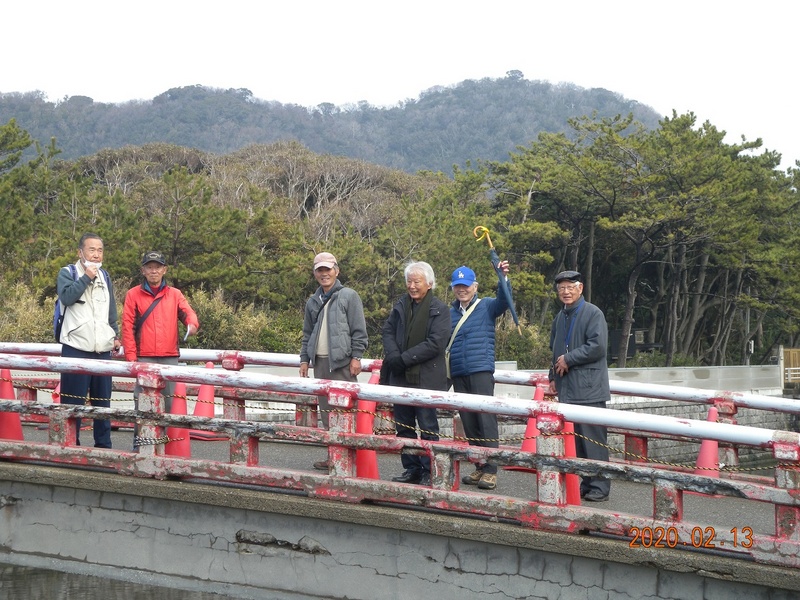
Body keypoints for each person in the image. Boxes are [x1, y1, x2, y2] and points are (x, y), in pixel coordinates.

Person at [381, 261, 451, 486]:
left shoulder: (440, 310)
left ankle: (429, 470)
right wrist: (394, 356)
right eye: (409, 281)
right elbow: (388, 331)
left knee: (428, 427)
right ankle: (411, 468)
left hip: (426, 378)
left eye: (417, 282)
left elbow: (436, 343)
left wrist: (403, 359)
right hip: (400, 376)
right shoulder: (401, 305)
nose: (412, 286)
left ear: (429, 284)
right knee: (404, 426)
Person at [299, 252, 368, 470]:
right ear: (315, 273)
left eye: (327, 269)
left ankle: (351, 457)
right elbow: (307, 333)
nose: (324, 274)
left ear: (336, 271)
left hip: (342, 362)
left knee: (347, 410)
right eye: (320, 270)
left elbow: (359, 330)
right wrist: (304, 359)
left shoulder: (348, 296)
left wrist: (356, 357)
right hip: (319, 363)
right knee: (326, 412)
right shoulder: (313, 300)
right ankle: (334, 456)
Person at [122, 251, 199, 441]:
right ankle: (140, 443)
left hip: (169, 356)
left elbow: (187, 313)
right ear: (143, 270)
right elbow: (127, 327)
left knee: (168, 404)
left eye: (157, 267)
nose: (154, 271)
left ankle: (162, 445)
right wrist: (132, 359)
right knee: (142, 402)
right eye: (149, 267)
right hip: (144, 357)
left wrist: (192, 324)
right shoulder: (133, 294)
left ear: (164, 270)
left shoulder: (175, 294)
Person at [548, 270, 611, 502]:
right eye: (561, 288)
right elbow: (554, 350)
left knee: (593, 441)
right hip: (568, 388)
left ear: (580, 288)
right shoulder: (560, 317)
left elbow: (598, 347)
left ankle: (600, 486)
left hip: (589, 388)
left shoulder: (593, 313)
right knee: (576, 441)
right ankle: (586, 482)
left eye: (570, 287)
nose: (566, 292)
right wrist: (552, 377)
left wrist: (569, 359)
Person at [447, 262, 510, 491]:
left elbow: (505, 300)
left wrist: (502, 277)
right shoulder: (449, 313)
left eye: (465, 285)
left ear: (475, 286)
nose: (462, 289)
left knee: (486, 419)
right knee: (469, 420)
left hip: (480, 369)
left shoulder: (487, 306)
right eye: (457, 286)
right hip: (458, 371)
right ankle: (479, 465)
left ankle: (491, 469)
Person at [57, 232, 122, 448]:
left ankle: (104, 447)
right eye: (91, 250)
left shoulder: (105, 276)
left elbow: (110, 309)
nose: (96, 254)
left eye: (100, 250)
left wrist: (115, 334)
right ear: (80, 252)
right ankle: (70, 446)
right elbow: (67, 297)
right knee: (72, 403)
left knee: (102, 403)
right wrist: (86, 277)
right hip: (75, 347)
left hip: (102, 348)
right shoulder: (68, 272)